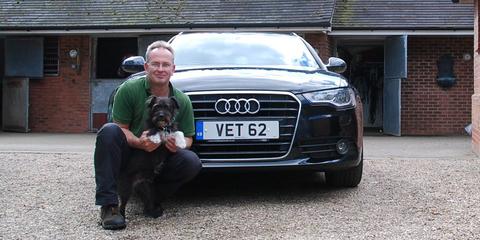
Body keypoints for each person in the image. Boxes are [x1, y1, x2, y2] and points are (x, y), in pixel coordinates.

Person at [94, 40, 202, 230]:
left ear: (173, 68)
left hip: (160, 159)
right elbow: (119, 128)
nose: (161, 69)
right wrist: (138, 142)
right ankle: (110, 205)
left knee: (191, 161)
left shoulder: (182, 100)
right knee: (108, 131)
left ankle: (152, 199)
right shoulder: (128, 90)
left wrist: (178, 144)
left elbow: (189, 138)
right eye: (155, 64)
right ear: (146, 66)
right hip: (132, 156)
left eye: (166, 64)